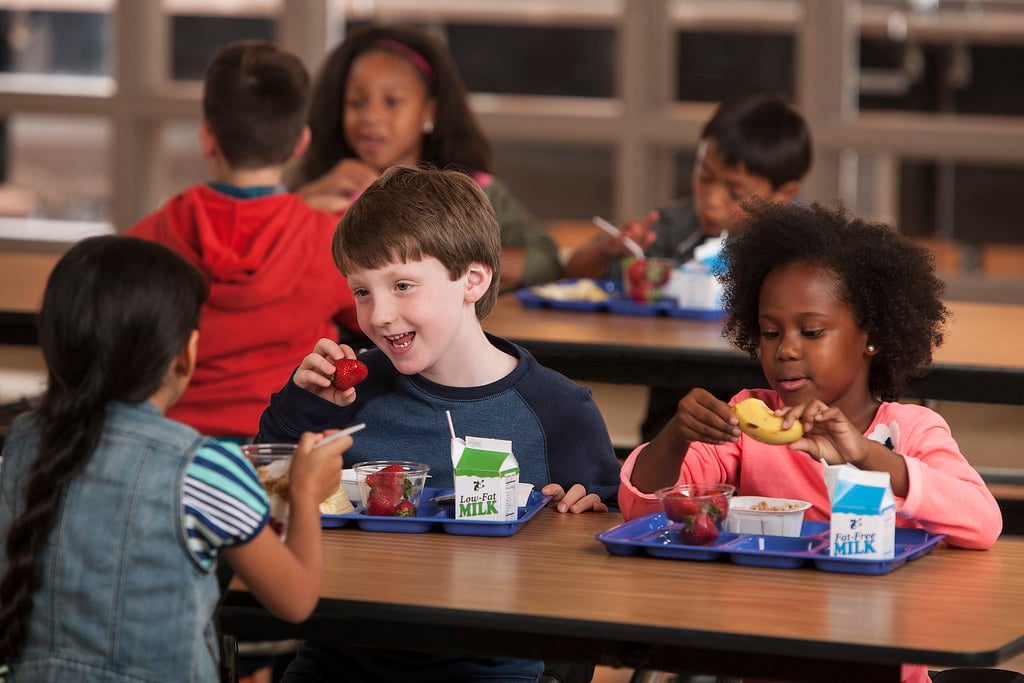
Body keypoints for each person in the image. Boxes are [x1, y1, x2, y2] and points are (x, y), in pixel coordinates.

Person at [259, 165, 621, 682]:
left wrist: (589, 512)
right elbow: (268, 496)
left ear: (472, 280)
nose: (380, 314)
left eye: (402, 285)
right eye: (362, 292)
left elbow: (605, 550)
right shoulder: (349, 395)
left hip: (492, 671)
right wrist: (304, 405)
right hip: (342, 659)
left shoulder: (558, 410)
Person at [618, 200, 1002, 683]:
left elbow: (983, 522)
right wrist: (676, 435)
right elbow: (644, 509)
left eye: (812, 331)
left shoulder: (911, 430)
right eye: (770, 332)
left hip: (876, 667)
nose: (787, 349)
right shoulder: (749, 423)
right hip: (765, 659)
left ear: (872, 336)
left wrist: (866, 456)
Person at [0, 236, 353, 682]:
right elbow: (295, 600)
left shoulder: (21, 444)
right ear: (185, 355)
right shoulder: (205, 466)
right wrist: (305, 490)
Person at [127, 40, 362, 440]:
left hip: (172, 450)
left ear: (207, 139)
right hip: (286, 451)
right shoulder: (330, 241)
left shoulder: (145, 241)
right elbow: (377, 317)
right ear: (300, 143)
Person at [565, 93, 813, 443]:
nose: (711, 199)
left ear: (783, 193)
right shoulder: (676, 226)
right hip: (676, 408)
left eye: (734, 191)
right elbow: (574, 274)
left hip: (773, 406)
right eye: (705, 178)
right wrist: (609, 251)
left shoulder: (806, 242)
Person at [288, 23, 562, 290]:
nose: (370, 117)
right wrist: (308, 198)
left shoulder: (476, 191)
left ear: (430, 111)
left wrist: (441, 255)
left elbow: (545, 261)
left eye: (392, 101)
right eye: (356, 103)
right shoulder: (324, 189)